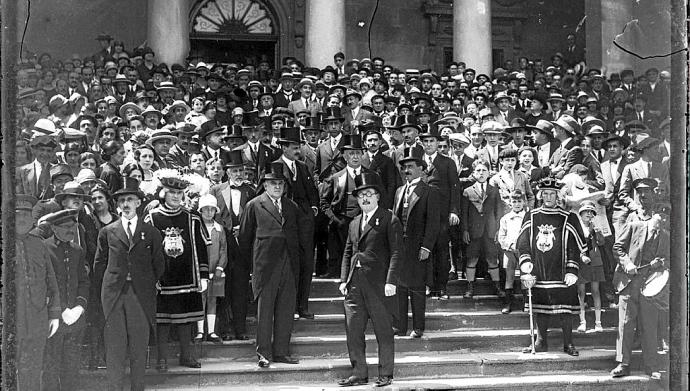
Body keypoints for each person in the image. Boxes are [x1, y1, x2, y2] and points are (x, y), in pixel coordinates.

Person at [93, 177, 164, 391]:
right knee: (115, 345)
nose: (126, 204)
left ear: (138, 203)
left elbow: (159, 264)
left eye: (130, 199)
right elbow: (99, 264)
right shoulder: (108, 231)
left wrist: (145, 282)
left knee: (138, 346)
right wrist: (107, 289)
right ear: (117, 204)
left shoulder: (150, 232)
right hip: (114, 295)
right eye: (122, 200)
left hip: (140, 295)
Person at [337, 172, 402, 388]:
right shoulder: (354, 222)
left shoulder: (389, 219)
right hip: (354, 285)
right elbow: (348, 251)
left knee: (383, 331)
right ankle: (359, 373)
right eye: (361, 195)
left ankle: (386, 373)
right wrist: (343, 279)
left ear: (377, 197)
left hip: (379, 285)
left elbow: (396, 253)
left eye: (369, 194)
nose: (365, 198)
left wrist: (391, 281)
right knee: (353, 331)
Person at [239, 162, 306, 367]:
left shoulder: (291, 206)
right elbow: (244, 238)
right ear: (265, 185)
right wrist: (252, 267)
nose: (277, 187)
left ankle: (281, 352)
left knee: (286, 309)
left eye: (280, 183)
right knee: (265, 310)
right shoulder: (254, 205)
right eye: (272, 183)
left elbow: (299, 236)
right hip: (265, 265)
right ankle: (264, 353)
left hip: (288, 262)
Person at [145, 169, 210, 370]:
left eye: (179, 193)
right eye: (171, 192)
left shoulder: (193, 217)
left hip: (188, 277)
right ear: (163, 193)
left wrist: (205, 275)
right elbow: (146, 250)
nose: (175, 196)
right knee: (162, 321)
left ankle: (187, 355)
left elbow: (201, 247)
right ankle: (162, 358)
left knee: (185, 320)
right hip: (162, 279)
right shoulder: (152, 218)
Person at [516, 177, 585, 356]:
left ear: (558, 196)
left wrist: (572, 269)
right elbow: (522, 242)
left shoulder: (568, 217)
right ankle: (540, 342)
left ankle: (568, 343)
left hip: (561, 271)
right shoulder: (531, 215)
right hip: (538, 270)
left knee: (565, 310)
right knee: (541, 307)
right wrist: (525, 261)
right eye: (545, 194)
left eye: (552, 194)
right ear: (540, 195)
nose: (548, 197)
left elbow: (574, 247)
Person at [610, 178, 669, 380]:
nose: (643, 196)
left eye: (647, 192)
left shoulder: (661, 221)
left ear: (654, 194)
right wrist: (627, 264)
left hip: (651, 281)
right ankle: (623, 363)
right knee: (625, 323)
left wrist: (660, 262)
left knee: (649, 324)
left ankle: (651, 365)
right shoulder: (631, 219)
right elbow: (617, 247)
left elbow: (669, 253)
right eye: (640, 193)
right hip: (629, 280)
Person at [41, 209, 90, 391]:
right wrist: (60, 310)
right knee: (51, 367)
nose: (71, 230)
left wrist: (79, 306)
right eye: (66, 226)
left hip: (74, 320)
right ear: (54, 228)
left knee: (71, 367)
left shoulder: (77, 250)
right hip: (52, 319)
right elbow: (45, 284)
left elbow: (84, 281)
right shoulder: (44, 248)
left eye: (73, 226)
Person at [273, 126, 319, 319]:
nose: (297, 150)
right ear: (284, 148)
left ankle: (303, 306)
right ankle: (289, 307)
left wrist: (313, 209)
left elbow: (312, 192)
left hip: (305, 225)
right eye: (293, 147)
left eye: (298, 146)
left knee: (307, 264)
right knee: (289, 266)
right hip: (286, 225)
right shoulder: (274, 166)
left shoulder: (303, 166)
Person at [16, 194, 61, 391]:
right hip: (11, 318)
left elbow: (51, 282)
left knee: (33, 367)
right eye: (17, 215)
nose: (22, 219)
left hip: (37, 316)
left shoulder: (39, 244)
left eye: (26, 214)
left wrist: (54, 314)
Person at [210, 150, 256, 341]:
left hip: (243, 246)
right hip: (223, 246)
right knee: (223, 289)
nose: (238, 174)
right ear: (227, 172)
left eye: (241, 170)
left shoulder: (251, 190)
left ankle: (240, 328)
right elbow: (211, 216)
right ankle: (225, 329)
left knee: (240, 288)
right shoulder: (216, 190)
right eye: (234, 170)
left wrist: (244, 230)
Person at [393, 147, 440, 337]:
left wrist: (427, 246)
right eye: (404, 167)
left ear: (421, 168)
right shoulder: (398, 191)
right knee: (400, 287)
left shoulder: (429, 191)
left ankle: (418, 327)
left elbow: (433, 223)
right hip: (399, 247)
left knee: (417, 287)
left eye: (411, 166)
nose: (407, 171)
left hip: (418, 247)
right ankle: (401, 326)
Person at [319, 134, 379, 278]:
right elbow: (324, 202)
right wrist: (334, 218)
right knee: (342, 255)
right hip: (341, 221)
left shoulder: (371, 175)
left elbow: (380, 198)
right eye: (351, 153)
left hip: (364, 221)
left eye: (358, 153)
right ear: (345, 156)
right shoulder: (336, 177)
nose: (355, 157)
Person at [461, 160, 502, 299]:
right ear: (473, 173)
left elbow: (498, 212)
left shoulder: (494, 191)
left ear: (489, 173)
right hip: (474, 231)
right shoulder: (467, 191)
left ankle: (497, 286)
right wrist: (465, 230)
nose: (481, 173)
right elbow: (464, 214)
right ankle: (470, 287)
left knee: (492, 258)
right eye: (478, 170)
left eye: (484, 170)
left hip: (490, 230)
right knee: (472, 259)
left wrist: (498, 230)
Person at [196, 194, 228, 343]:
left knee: (212, 300)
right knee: (200, 300)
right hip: (200, 272)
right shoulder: (196, 227)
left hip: (216, 271)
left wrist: (220, 268)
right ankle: (200, 331)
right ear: (200, 211)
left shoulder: (219, 229)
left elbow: (223, 250)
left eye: (212, 210)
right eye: (206, 209)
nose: (209, 213)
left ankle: (212, 331)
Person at [575, 200, 605, 333]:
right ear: (580, 214)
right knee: (581, 292)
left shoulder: (595, 226)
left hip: (595, 261)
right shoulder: (576, 227)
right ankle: (583, 322)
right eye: (585, 212)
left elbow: (601, 242)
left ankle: (598, 322)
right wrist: (581, 256)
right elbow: (574, 244)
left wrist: (597, 231)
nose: (588, 214)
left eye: (591, 212)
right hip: (581, 262)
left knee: (596, 291)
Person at [497, 190, 527, 314]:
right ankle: (507, 304)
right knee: (509, 277)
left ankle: (527, 303)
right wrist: (508, 246)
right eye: (514, 201)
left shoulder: (528, 217)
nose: (517, 204)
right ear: (510, 203)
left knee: (525, 276)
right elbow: (501, 236)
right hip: (509, 251)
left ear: (524, 202)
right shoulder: (505, 218)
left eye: (519, 201)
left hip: (524, 252)